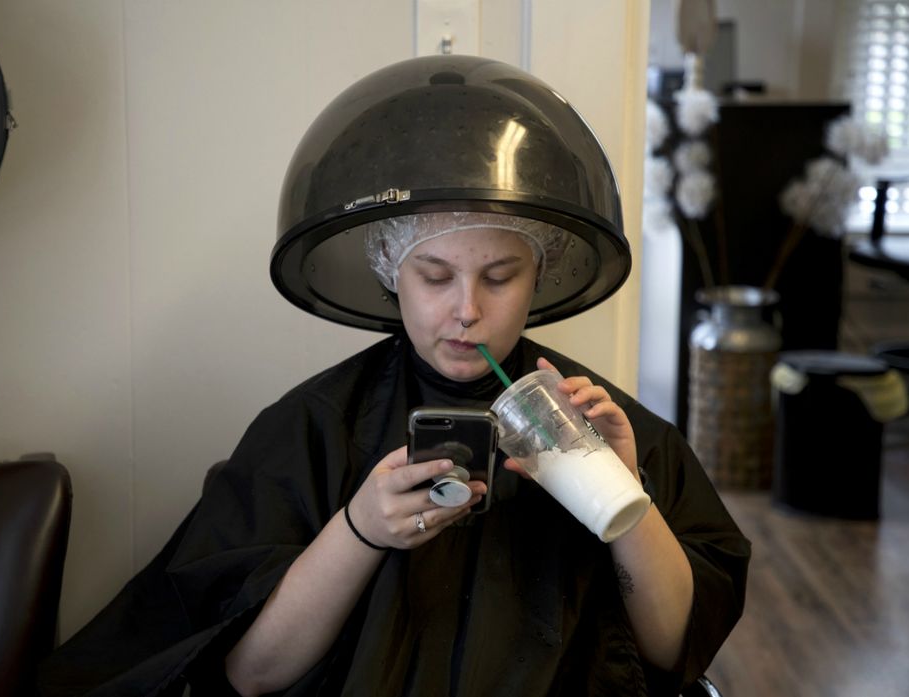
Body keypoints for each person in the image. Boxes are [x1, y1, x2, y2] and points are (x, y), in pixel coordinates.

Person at [38, 56, 749, 697]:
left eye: (499, 276)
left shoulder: (606, 427)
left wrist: (624, 500)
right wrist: (359, 530)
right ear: (390, 269)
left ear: (541, 272)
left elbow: (671, 650)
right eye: (434, 274)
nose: (466, 310)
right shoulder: (313, 427)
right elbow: (251, 672)